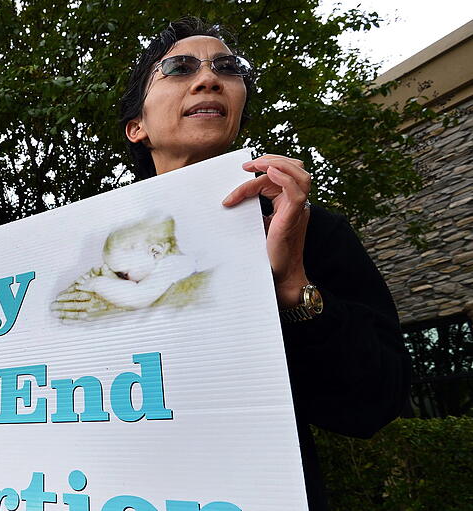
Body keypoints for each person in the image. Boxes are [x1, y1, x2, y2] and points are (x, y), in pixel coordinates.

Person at [110, 18, 409, 510]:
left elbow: (374, 404)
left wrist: (292, 286)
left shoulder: (309, 232)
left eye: (227, 68)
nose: (209, 78)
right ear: (137, 127)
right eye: (180, 68)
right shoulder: (90, 249)